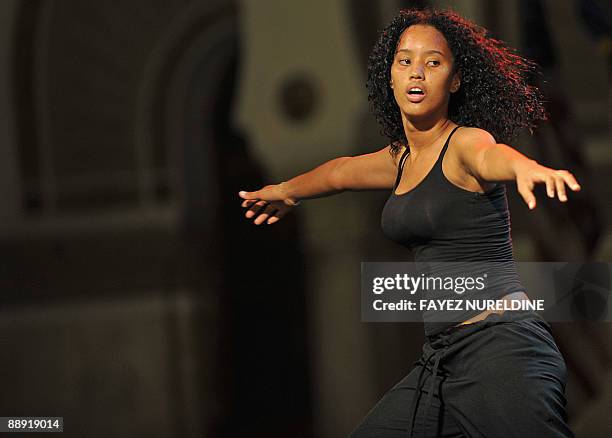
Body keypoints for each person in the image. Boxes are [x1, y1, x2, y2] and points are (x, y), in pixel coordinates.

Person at [238, 8, 579, 437]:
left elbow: (492, 156)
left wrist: (527, 168)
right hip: (442, 360)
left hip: (502, 351)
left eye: (433, 62)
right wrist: (287, 191)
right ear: (391, 76)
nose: (417, 72)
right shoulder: (399, 160)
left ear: (455, 80)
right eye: (405, 61)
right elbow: (340, 172)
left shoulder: (463, 143)